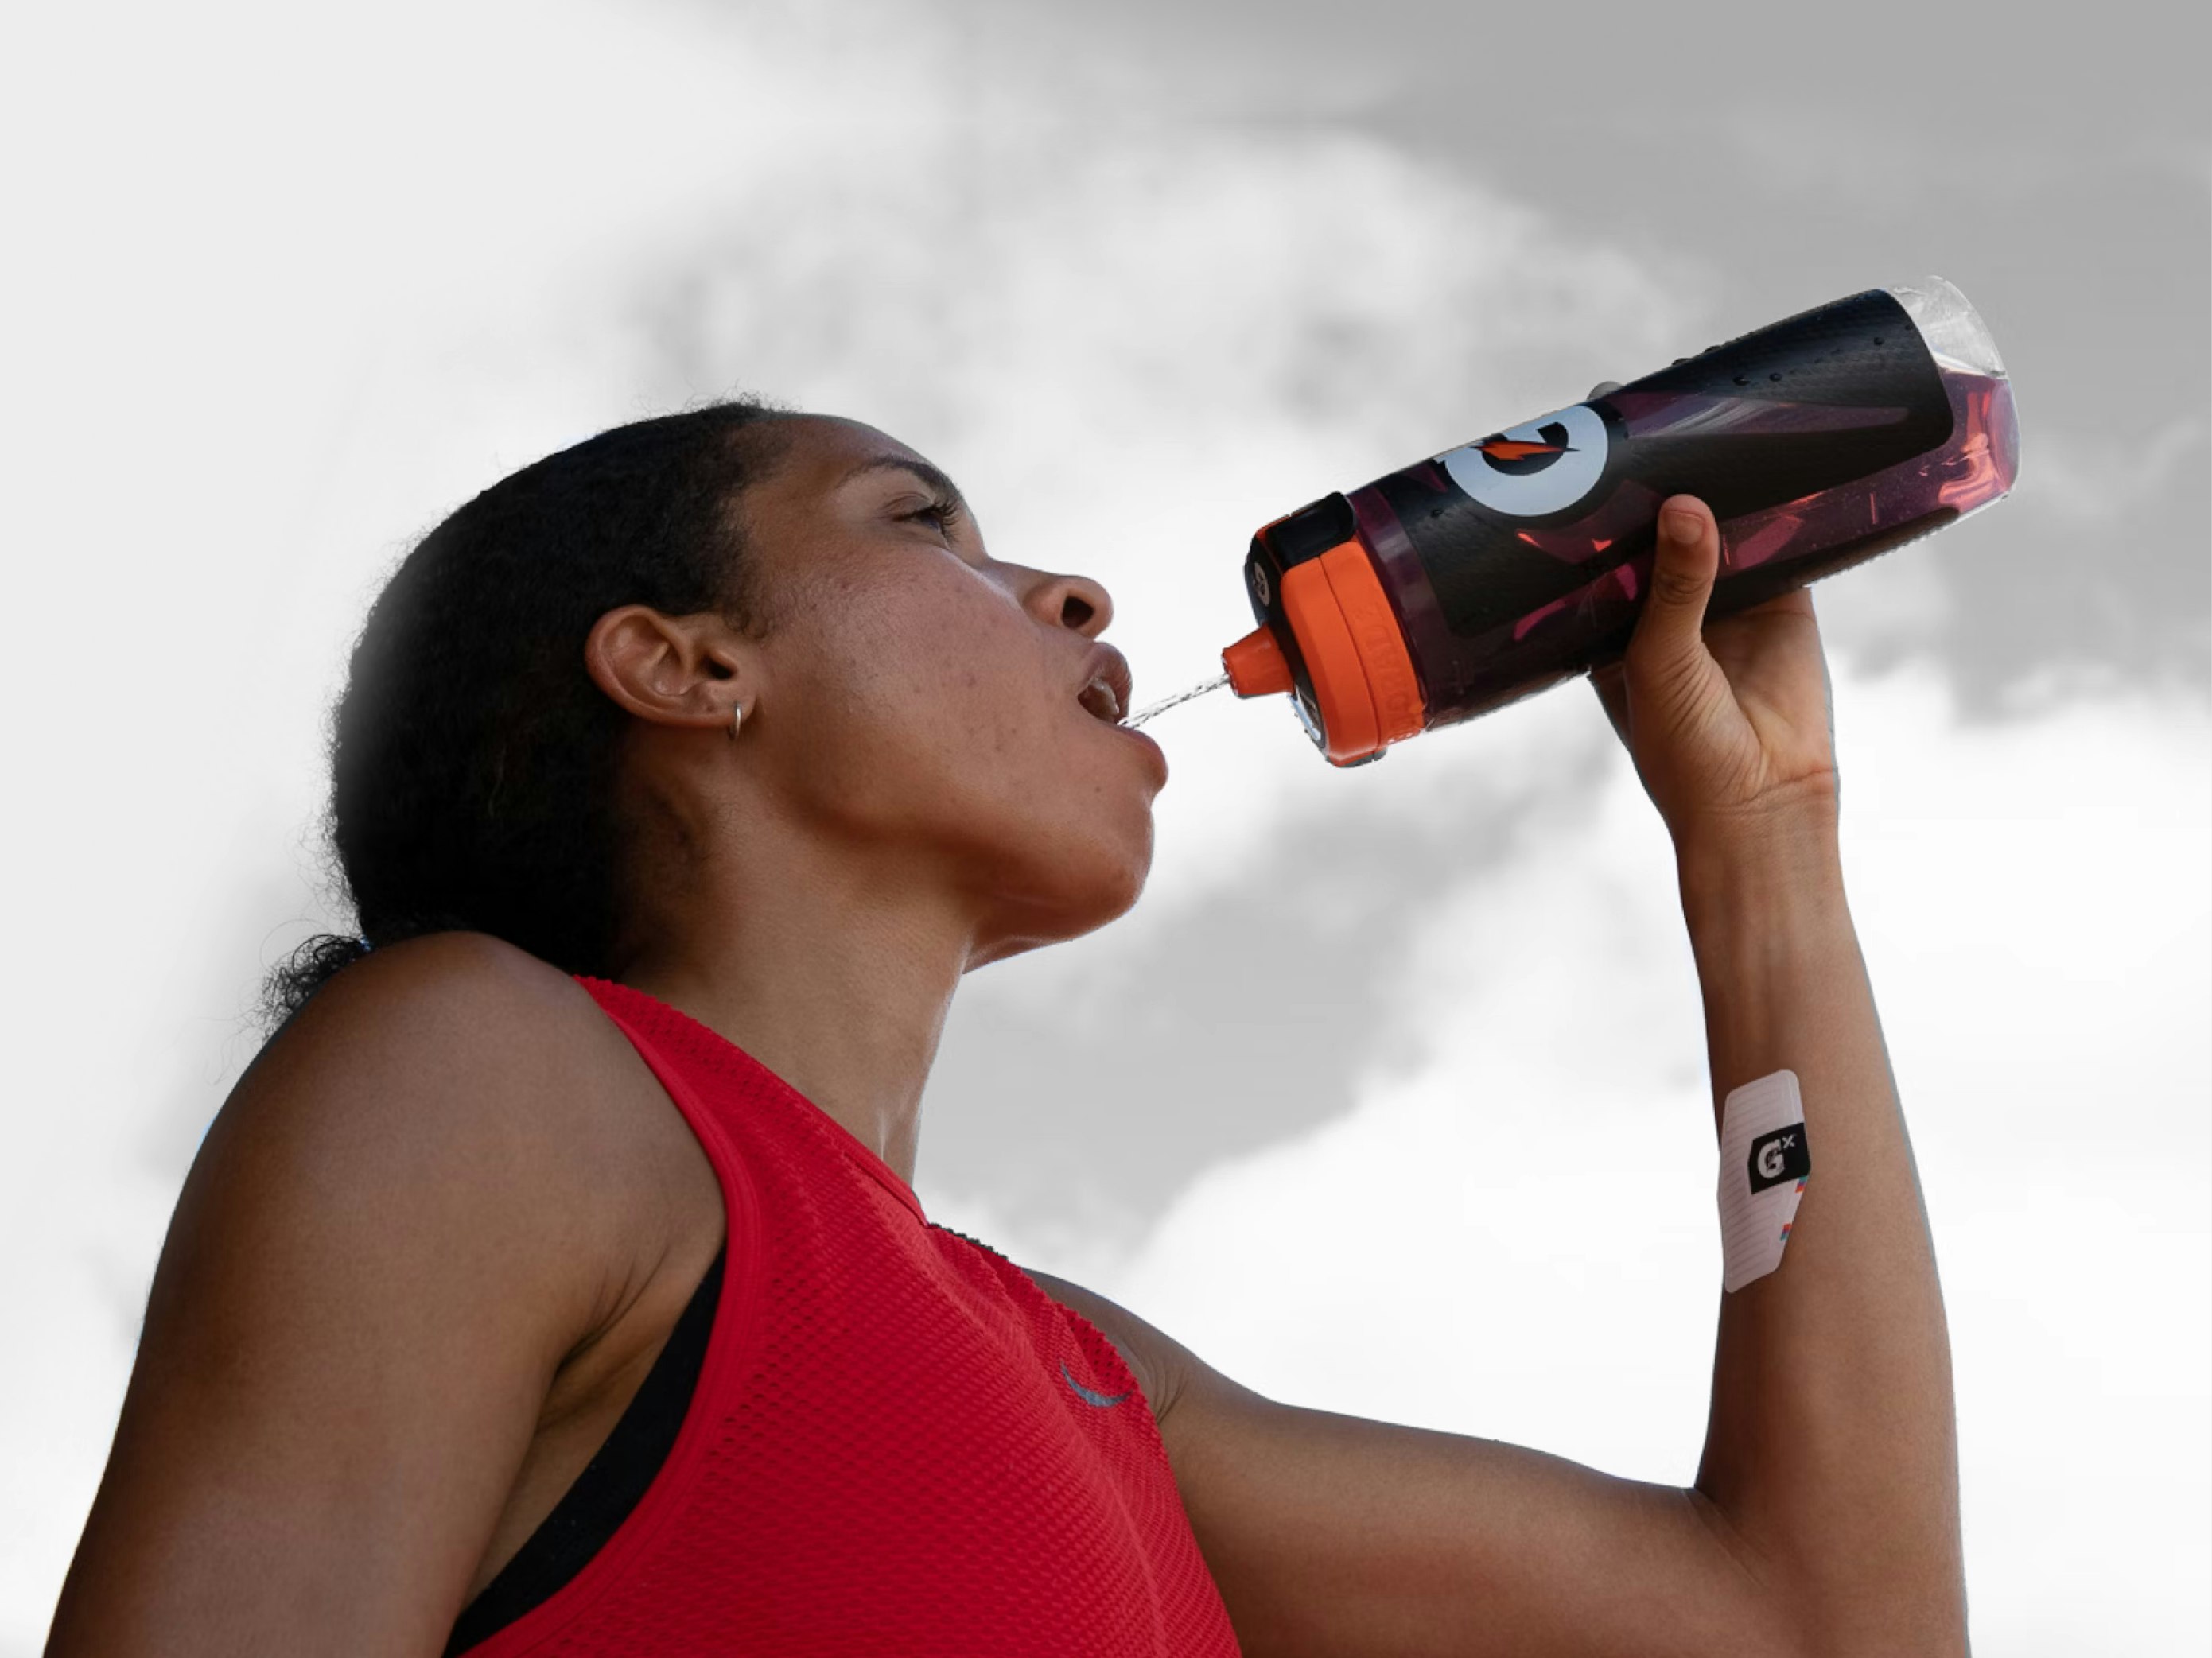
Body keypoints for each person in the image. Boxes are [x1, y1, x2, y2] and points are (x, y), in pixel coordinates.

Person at [46, 399, 1965, 1656]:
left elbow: (1824, 1625)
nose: (1069, 588)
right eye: (921, 525)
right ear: (687, 665)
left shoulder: (1091, 1376)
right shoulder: (484, 1078)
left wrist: (1761, 846)